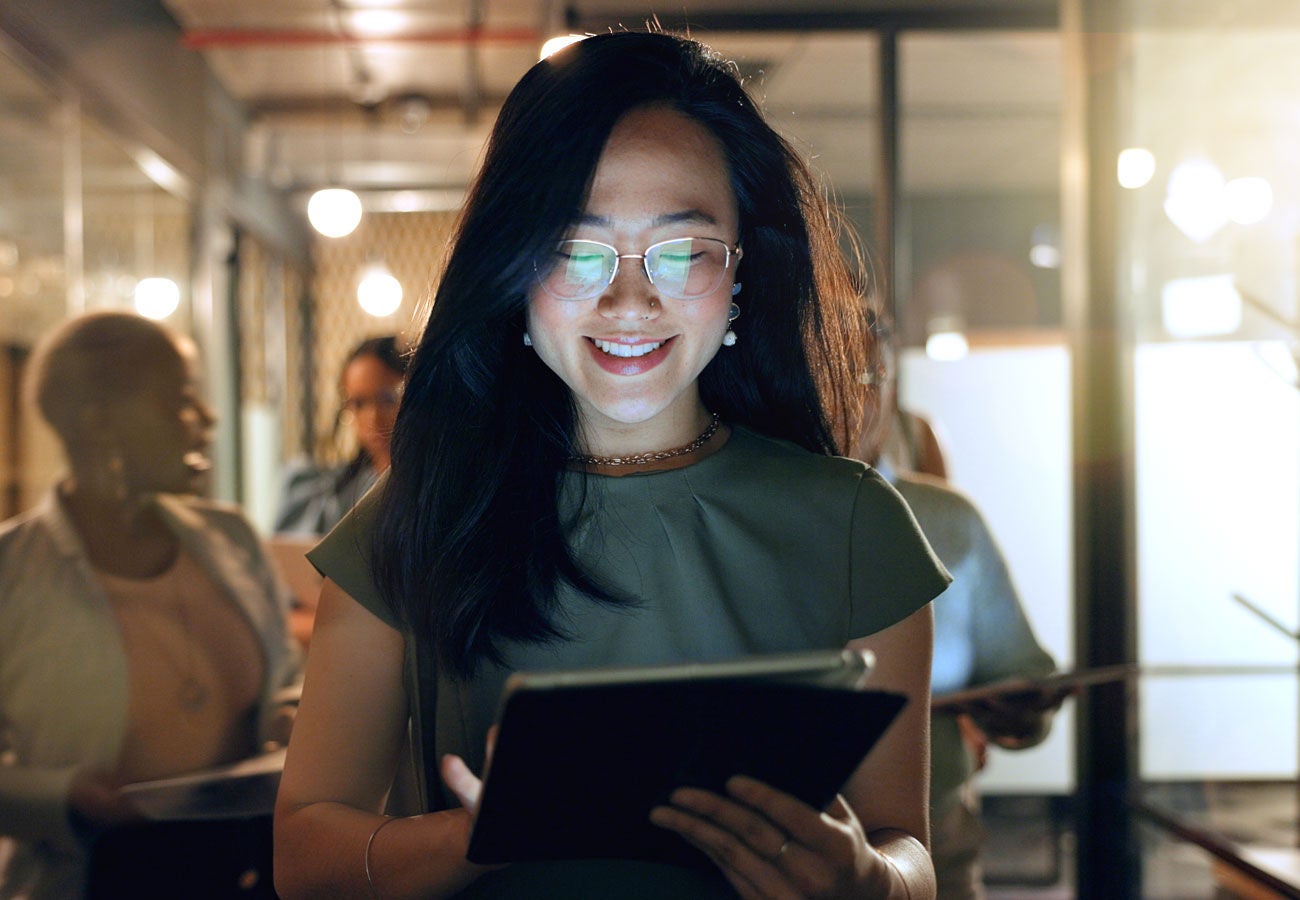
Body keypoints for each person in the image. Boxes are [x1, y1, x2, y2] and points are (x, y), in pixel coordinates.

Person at [274, 30, 950, 900]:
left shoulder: (857, 525)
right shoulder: (419, 517)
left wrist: (869, 881)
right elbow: (304, 854)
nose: (630, 300)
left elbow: (910, 852)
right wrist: (477, 839)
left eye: (682, 251)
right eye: (574, 249)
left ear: (744, 268)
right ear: (513, 267)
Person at [0, 311, 301, 899]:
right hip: (89, 879)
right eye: (180, 402)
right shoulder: (11, 570)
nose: (207, 421)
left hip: (250, 872)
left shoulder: (231, 536)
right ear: (100, 424)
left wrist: (289, 715)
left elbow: (288, 676)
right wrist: (65, 796)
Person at [858, 314, 1065, 900]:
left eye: (872, 373)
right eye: (832, 372)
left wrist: (1022, 708)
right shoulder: (744, 516)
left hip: (933, 844)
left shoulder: (947, 520)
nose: (855, 394)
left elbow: (1017, 671)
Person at [273, 335, 408, 537]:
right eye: (359, 403)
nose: (373, 418)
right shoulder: (330, 493)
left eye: (388, 399)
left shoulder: (432, 489)